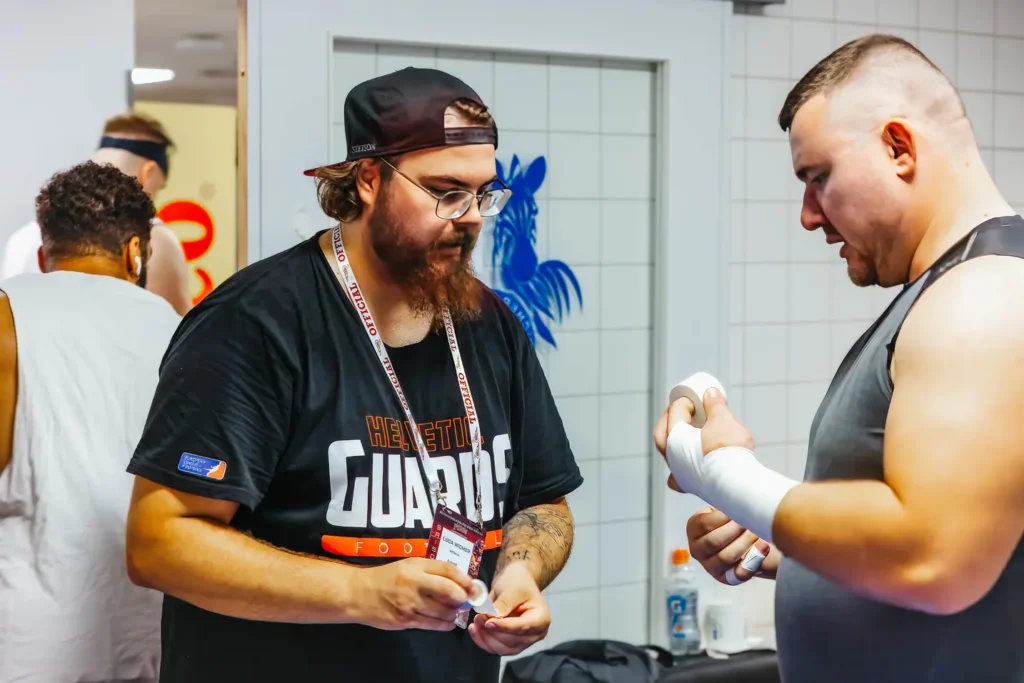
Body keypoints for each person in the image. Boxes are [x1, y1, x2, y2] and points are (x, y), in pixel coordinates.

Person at [123, 67, 582, 683]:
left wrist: (519, 574)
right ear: (369, 180)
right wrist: (360, 594)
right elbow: (159, 541)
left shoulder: (488, 323)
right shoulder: (255, 323)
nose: (471, 216)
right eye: (446, 191)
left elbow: (544, 503)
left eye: (484, 193)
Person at [654, 34, 1024, 683]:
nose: (807, 215)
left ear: (899, 148)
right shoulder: (946, 289)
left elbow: (931, 556)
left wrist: (724, 472)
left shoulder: (982, 297)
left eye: (817, 177)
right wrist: (793, 546)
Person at [0, 161, 182, 682]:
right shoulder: (183, 334)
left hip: (27, 646)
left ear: (43, 255)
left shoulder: (8, 316)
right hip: (153, 634)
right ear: (134, 252)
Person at [2, 112, 193, 315]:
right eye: (158, 189)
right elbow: (182, 338)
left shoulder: (21, 239)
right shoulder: (155, 239)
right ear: (148, 172)